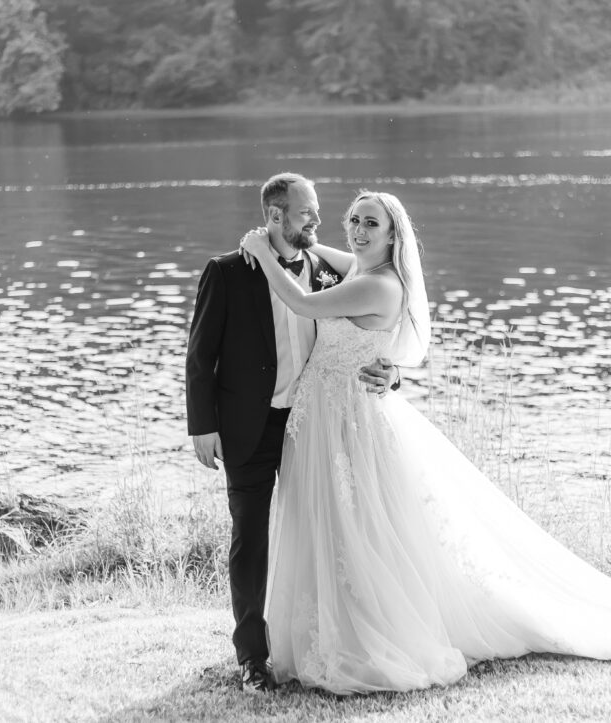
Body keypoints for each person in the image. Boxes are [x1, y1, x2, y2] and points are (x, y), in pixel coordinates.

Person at [239, 190, 611, 696]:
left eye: (370, 223)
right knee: (335, 525)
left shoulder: (378, 285)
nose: (357, 230)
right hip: (328, 418)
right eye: (352, 220)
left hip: (347, 421)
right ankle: (328, 629)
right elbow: (321, 256)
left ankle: (365, 634)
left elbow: (304, 304)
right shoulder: (361, 267)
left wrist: (262, 251)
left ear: (393, 236)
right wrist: (292, 239)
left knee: (356, 528)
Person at [185, 173, 400, 694]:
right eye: (308, 213)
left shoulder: (328, 267)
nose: (320, 222)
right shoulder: (227, 272)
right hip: (249, 427)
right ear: (276, 216)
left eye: (321, 212)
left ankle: (328, 639)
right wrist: (203, 427)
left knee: (324, 530)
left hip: (316, 426)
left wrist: (392, 373)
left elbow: (377, 327)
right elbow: (200, 355)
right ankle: (252, 658)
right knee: (251, 538)